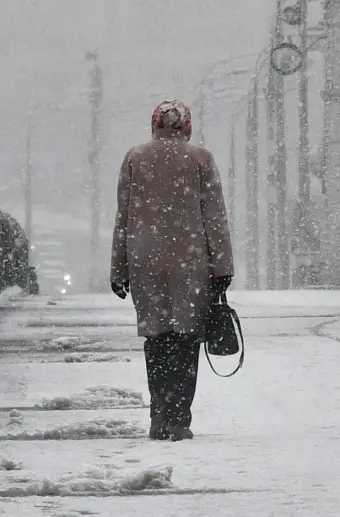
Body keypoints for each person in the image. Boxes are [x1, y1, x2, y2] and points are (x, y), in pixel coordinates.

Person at [110, 100, 234, 441]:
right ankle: (179, 418)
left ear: (154, 125)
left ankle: (158, 415)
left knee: (156, 339)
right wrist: (222, 267)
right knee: (186, 340)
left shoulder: (135, 157)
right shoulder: (201, 159)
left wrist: (118, 268)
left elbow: (124, 218)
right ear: (187, 127)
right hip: (191, 263)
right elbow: (214, 217)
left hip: (145, 262)